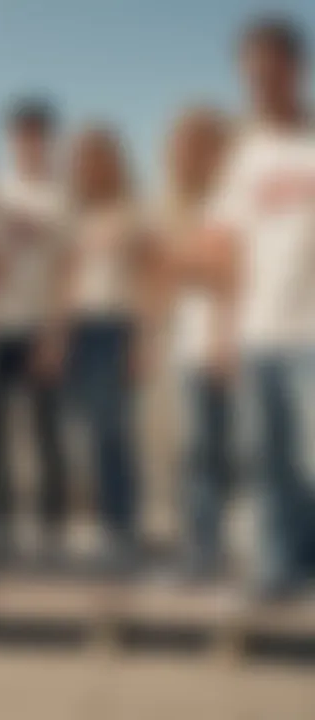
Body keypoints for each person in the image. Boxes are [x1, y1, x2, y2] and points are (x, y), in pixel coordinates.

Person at [203, 17, 315, 599]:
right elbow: (229, 254)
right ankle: (277, 571)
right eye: (252, 74)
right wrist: (225, 333)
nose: (261, 82)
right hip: (258, 331)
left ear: (297, 67)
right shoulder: (244, 158)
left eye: (272, 70)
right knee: (266, 462)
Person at [52, 125, 164, 575]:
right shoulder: (74, 217)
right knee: (88, 433)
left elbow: (150, 277)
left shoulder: (134, 214)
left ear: (115, 164)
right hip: (79, 329)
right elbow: (64, 281)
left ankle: (123, 527)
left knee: (114, 432)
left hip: (116, 328)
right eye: (85, 158)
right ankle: (104, 525)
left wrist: (142, 338)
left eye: (100, 157)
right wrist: (56, 337)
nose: (92, 166)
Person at [0, 97, 69, 566]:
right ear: (11, 139)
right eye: (21, 133)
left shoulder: (64, 195)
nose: (29, 141)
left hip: (39, 328)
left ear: (49, 138)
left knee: (46, 435)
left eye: (37, 132)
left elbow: (66, 271)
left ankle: (51, 533)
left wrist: (55, 335)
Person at [159, 107, 233, 581]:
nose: (183, 154)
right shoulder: (175, 208)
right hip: (189, 348)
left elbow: (226, 272)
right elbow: (169, 274)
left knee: (250, 455)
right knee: (199, 456)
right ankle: (204, 554)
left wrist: (189, 263)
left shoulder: (231, 202)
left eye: (194, 144)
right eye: (178, 145)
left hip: (231, 346)